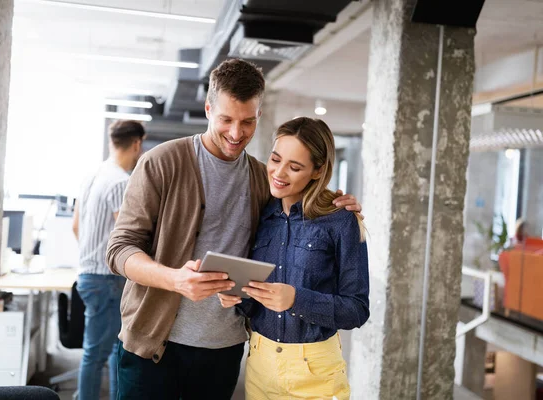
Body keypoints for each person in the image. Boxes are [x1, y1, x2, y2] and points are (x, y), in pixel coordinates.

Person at [105, 58, 362, 400]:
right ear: (208, 108)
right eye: (226, 119)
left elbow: (297, 212)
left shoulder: (261, 178)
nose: (236, 133)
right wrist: (175, 279)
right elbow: (119, 249)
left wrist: (337, 202)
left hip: (222, 350)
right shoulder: (162, 162)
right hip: (152, 345)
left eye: (247, 122)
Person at [218, 117, 369, 400]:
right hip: (259, 365)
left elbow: (357, 309)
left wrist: (295, 300)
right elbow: (254, 306)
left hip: (315, 373)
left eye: (295, 167)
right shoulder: (262, 215)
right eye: (275, 160)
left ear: (317, 171)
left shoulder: (340, 221)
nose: (279, 172)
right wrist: (237, 297)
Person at [72, 120, 146, 400]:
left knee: (104, 351)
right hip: (107, 279)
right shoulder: (120, 182)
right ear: (137, 144)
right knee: (108, 352)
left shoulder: (92, 176)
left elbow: (75, 226)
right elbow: (126, 237)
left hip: (88, 274)